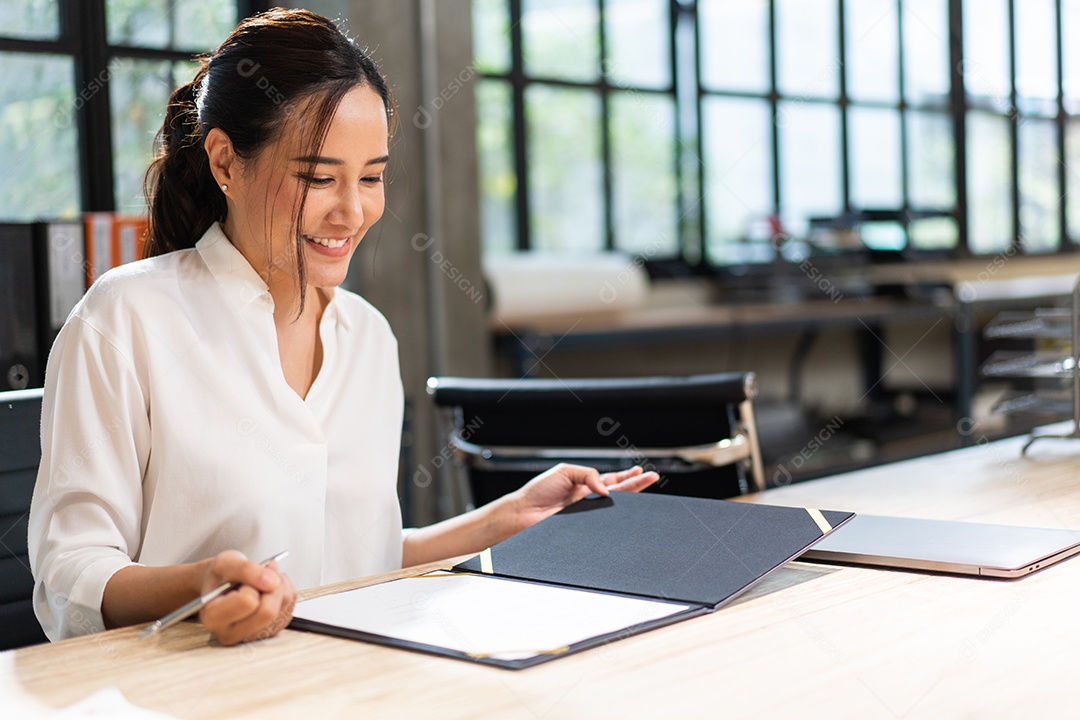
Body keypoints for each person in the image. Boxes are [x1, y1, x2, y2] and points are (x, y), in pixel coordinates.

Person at [28, 9, 657, 646]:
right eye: (318, 178)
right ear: (225, 161)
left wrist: (506, 517)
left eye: (372, 177)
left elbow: (358, 559)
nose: (352, 211)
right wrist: (197, 589)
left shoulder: (368, 338)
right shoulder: (127, 318)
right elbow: (70, 574)